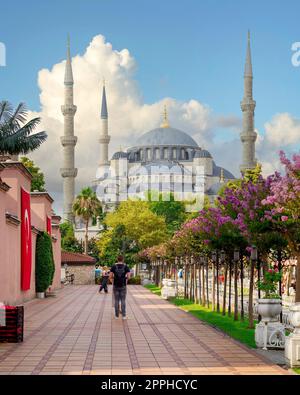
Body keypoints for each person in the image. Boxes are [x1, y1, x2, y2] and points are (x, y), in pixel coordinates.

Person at [110, 255, 130, 320]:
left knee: (116, 300)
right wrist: (125, 282)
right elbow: (129, 277)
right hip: (123, 285)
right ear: (123, 259)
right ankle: (124, 316)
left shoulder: (113, 266)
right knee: (123, 300)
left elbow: (110, 276)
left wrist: (113, 282)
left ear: (117, 259)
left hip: (115, 285)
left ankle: (116, 316)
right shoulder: (126, 266)